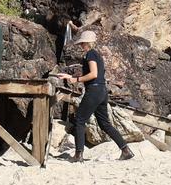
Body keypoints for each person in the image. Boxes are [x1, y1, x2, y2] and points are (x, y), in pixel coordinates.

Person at [55, 30, 134, 162]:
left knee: (80, 120)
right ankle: (126, 150)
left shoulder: (90, 54)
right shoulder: (97, 55)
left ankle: (78, 155)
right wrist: (70, 77)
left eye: (82, 43)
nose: (81, 46)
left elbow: (93, 74)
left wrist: (76, 80)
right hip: (102, 91)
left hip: (94, 91)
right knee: (104, 124)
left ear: (87, 43)